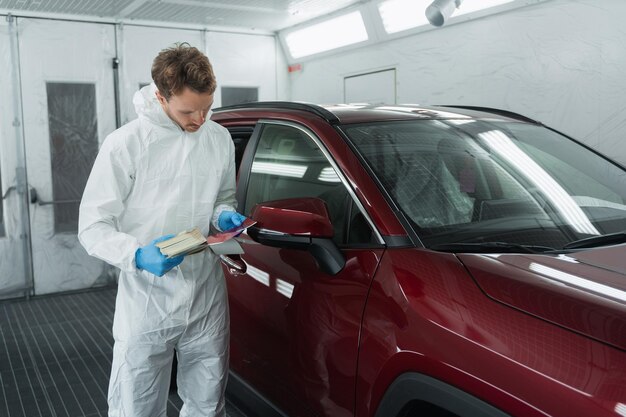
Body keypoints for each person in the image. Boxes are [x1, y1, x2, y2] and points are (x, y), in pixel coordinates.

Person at [78, 42, 245, 417]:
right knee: (136, 403)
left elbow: (221, 199)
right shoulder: (126, 144)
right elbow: (92, 225)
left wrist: (223, 217)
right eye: (189, 110)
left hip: (205, 292)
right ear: (160, 96)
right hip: (147, 298)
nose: (200, 119)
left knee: (207, 400)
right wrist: (136, 255)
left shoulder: (217, 139)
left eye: (207, 107)